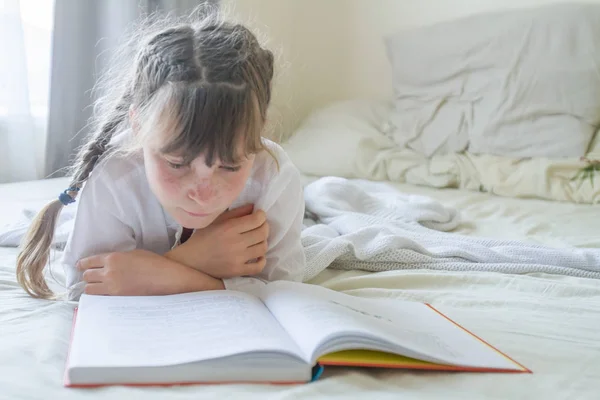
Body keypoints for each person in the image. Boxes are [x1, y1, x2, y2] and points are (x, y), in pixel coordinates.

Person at [16, 6, 306, 301]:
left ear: (258, 134)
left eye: (229, 167)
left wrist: (163, 271)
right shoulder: (116, 176)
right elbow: (86, 287)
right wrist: (196, 260)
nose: (203, 195)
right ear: (138, 126)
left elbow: (283, 292)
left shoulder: (274, 176)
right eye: (177, 164)